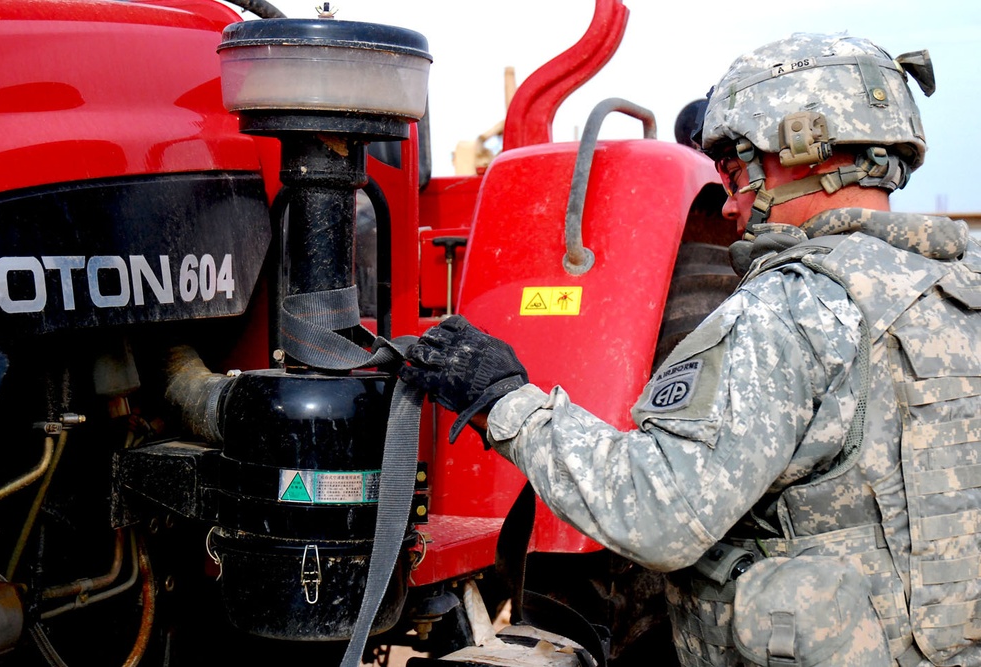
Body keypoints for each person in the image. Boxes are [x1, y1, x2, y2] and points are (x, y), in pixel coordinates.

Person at [399, 32, 978, 667]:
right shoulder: (962, 286)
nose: (729, 204)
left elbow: (657, 515)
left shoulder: (790, 309)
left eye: (735, 171)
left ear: (804, 149)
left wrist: (503, 400)